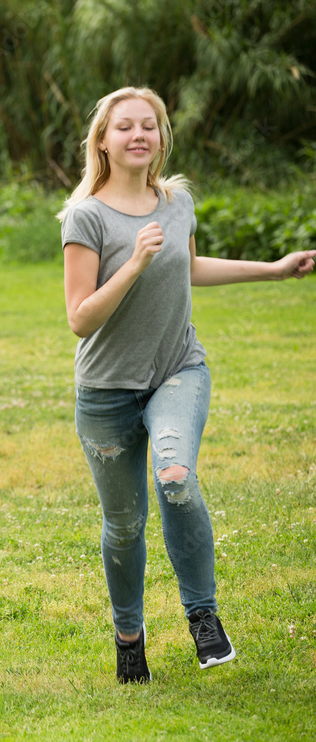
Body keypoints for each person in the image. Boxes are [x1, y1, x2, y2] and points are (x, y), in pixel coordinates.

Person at [59, 86, 315, 684]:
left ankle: (203, 615)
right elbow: (80, 316)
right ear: (104, 139)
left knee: (175, 477)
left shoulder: (176, 203)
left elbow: (190, 267)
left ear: (161, 137)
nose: (139, 135)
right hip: (106, 389)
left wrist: (273, 269)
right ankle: (129, 638)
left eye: (149, 125)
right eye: (125, 127)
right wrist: (134, 264)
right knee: (123, 524)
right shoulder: (85, 217)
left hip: (177, 368)